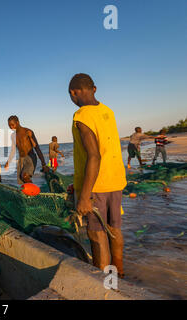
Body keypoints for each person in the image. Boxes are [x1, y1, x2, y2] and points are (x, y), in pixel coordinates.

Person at [69, 73, 126, 278]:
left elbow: (94, 156)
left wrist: (84, 196)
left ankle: (105, 285)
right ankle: (119, 272)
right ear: (94, 89)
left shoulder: (82, 115)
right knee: (114, 229)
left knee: (97, 235)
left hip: (97, 186)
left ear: (73, 93)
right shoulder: (107, 111)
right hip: (115, 181)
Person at [4, 116, 49, 184]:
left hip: (30, 157)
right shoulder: (13, 136)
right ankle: (29, 193)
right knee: (22, 181)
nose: (11, 127)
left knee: (25, 176)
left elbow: (37, 148)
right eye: (9, 126)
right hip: (21, 160)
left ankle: (33, 192)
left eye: (12, 125)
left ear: (18, 122)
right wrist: (8, 162)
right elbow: (13, 150)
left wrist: (43, 163)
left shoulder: (28, 132)